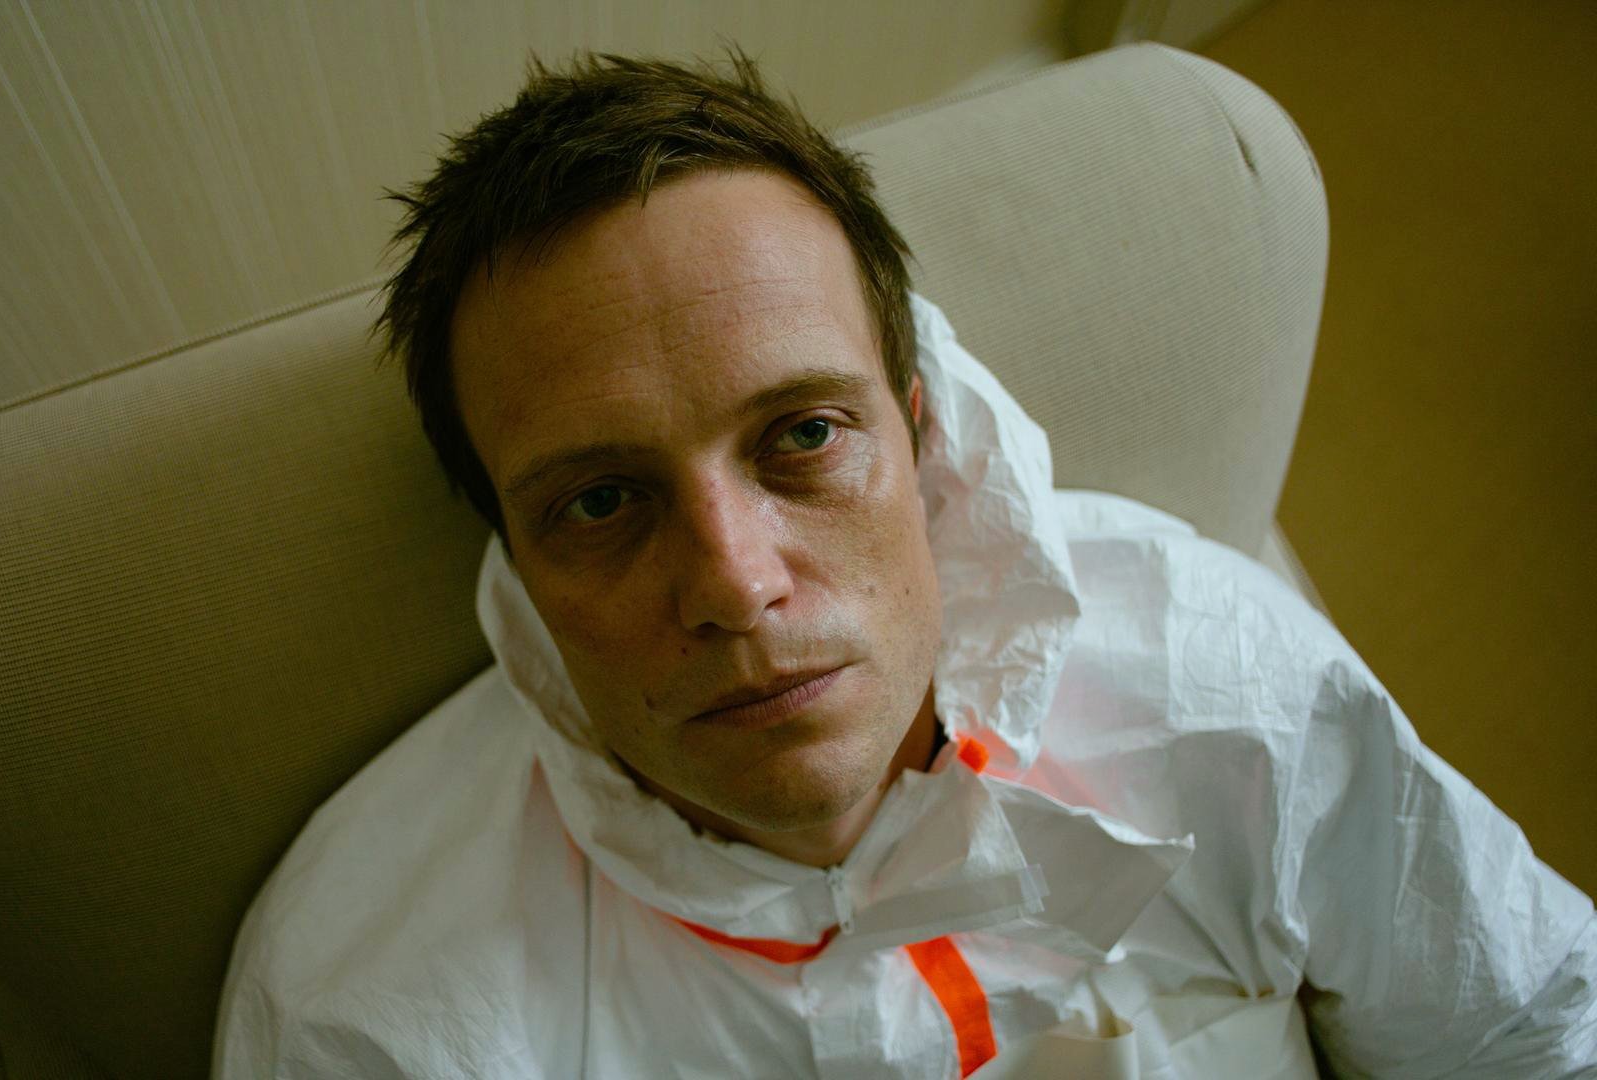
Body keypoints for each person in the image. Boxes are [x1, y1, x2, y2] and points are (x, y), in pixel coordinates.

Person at [213, 50, 1595, 1078]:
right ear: (513, 557)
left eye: (804, 435)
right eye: (602, 502)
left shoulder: (1230, 696)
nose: (736, 585)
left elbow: (1532, 1034)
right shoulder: (365, 1012)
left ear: (918, 433)